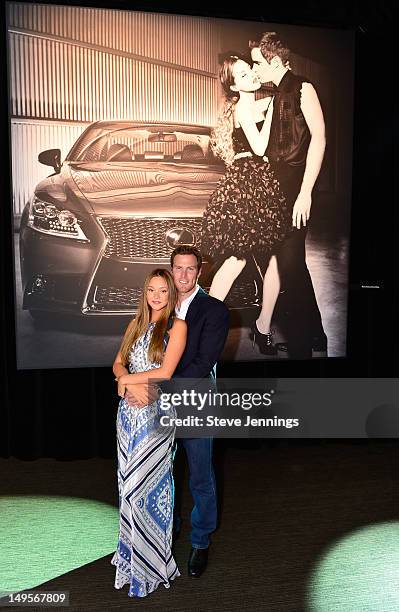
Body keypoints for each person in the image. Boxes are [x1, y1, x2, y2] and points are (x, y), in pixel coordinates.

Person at [126, 245, 230, 578]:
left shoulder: (214, 310)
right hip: (155, 408)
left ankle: (200, 541)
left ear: (200, 272)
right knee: (160, 476)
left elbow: (202, 363)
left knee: (200, 476)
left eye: (190, 269)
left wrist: (155, 388)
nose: (183, 275)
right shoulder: (159, 307)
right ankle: (165, 532)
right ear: (171, 271)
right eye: (178, 269)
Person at [201, 55, 291, 354]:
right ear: (235, 85)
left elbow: (279, 100)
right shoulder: (243, 105)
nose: (251, 74)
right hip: (248, 183)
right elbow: (261, 147)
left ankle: (263, 326)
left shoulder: (258, 102)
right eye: (242, 74)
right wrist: (271, 111)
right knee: (238, 258)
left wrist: (277, 97)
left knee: (273, 258)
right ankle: (206, 324)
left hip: (260, 181)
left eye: (249, 69)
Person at [250, 32, 327, 358]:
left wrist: (306, 192)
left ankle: (302, 350)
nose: (255, 68)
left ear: (276, 60)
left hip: (297, 191)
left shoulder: (303, 88)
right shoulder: (271, 96)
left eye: (257, 62)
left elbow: (320, 140)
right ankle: (316, 336)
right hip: (276, 193)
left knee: (292, 266)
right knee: (293, 266)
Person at [111, 269, 187, 598]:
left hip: (157, 415)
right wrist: (124, 380)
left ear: (171, 294)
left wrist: (128, 382)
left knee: (145, 491)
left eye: (162, 291)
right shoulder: (135, 324)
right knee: (127, 488)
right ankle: (131, 563)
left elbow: (167, 372)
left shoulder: (177, 327)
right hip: (127, 418)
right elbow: (117, 364)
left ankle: (153, 565)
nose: (156, 296)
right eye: (151, 290)